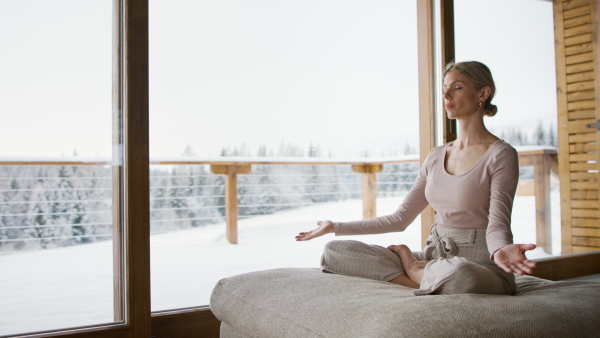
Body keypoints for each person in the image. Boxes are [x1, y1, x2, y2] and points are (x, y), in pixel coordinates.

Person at [295, 61, 537, 295]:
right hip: (435, 259)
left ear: (483, 93)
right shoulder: (436, 156)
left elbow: (498, 224)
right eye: (444, 89)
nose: (447, 96)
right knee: (336, 251)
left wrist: (500, 250)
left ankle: (413, 270)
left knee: (463, 274)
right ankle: (423, 278)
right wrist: (334, 227)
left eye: (457, 87)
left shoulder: (501, 154)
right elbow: (400, 219)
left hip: (481, 268)